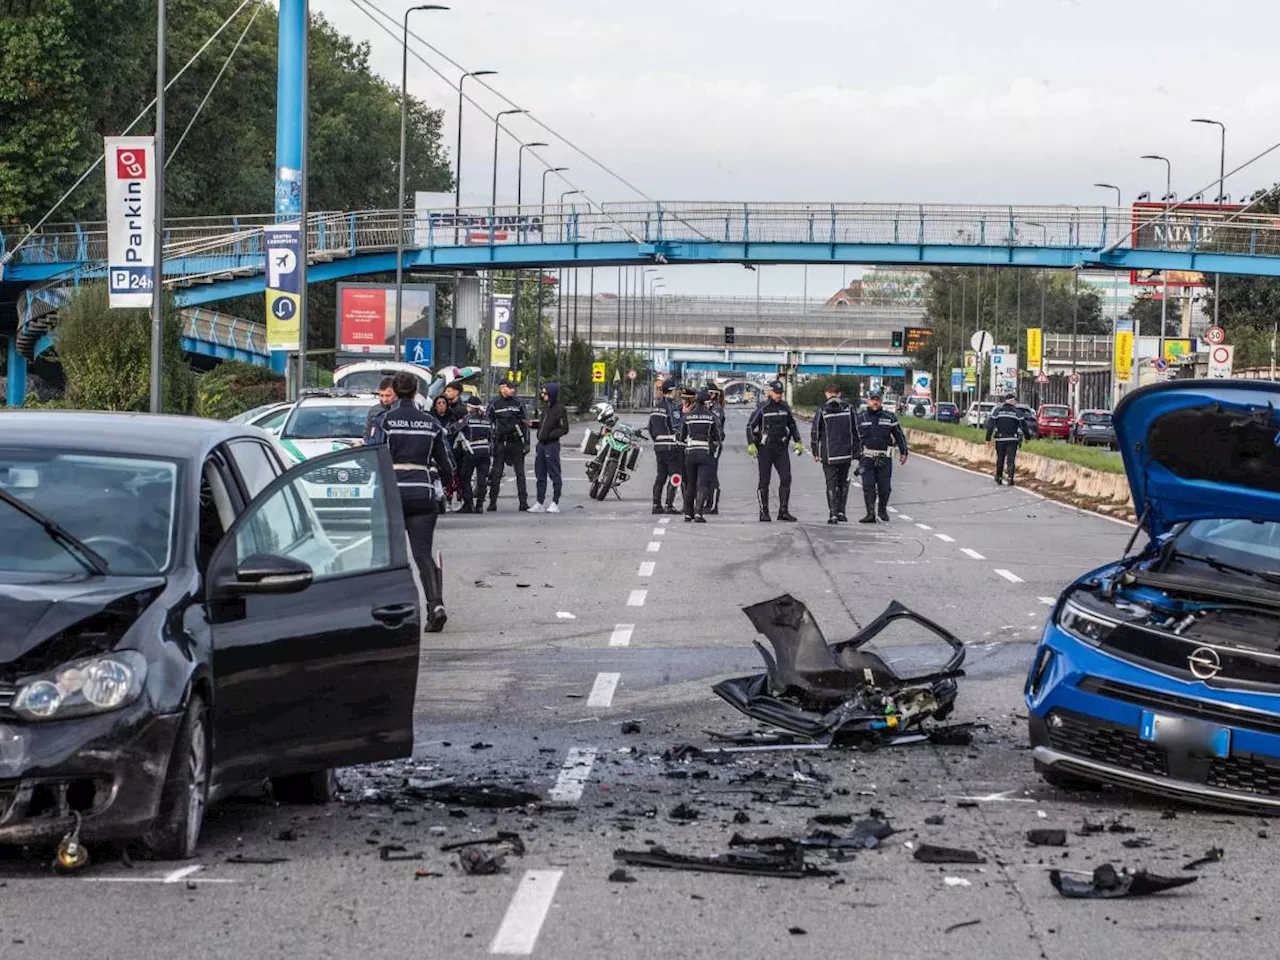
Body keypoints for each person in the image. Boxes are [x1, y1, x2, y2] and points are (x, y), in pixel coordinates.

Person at [375, 371, 455, 632]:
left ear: (395, 393)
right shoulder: (430, 423)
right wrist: (439, 480)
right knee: (422, 553)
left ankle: (392, 614)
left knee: (390, 555)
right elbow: (447, 465)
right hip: (422, 494)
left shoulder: (385, 421)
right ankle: (436, 605)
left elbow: (375, 456)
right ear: (416, 390)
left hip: (392, 494)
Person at [746, 380, 802, 522]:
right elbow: (750, 426)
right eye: (776, 393)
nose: (778, 395)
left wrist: (798, 441)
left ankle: (783, 511)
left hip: (781, 448)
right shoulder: (763, 408)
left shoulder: (785, 407)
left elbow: (792, 425)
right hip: (765, 448)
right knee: (764, 480)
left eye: (780, 393)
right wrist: (751, 443)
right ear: (770, 392)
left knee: (786, 478)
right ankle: (764, 512)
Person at [855, 390, 908, 523]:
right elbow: (853, 437)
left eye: (877, 400)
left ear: (881, 401)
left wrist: (903, 452)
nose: (875, 402)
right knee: (868, 486)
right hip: (866, 458)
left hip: (884, 458)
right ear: (868, 401)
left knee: (885, 488)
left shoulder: (890, 417)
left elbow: (899, 435)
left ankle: (882, 510)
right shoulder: (861, 417)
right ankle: (870, 513)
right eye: (872, 399)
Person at [810, 381, 859, 524]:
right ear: (839, 394)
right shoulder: (849, 408)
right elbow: (856, 430)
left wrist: (815, 451)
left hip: (829, 453)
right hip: (846, 452)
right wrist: (857, 451)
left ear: (827, 394)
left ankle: (833, 514)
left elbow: (815, 433)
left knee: (831, 483)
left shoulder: (822, 410)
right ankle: (842, 512)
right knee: (843, 482)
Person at [486, 380, 530, 512]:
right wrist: (490, 443)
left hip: (516, 442)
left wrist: (526, 444)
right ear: (502, 389)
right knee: (496, 474)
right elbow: (488, 423)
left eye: (513, 388)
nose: (512, 390)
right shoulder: (494, 404)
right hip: (500, 442)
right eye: (510, 388)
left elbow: (526, 424)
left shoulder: (518, 403)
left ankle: (523, 502)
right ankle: (492, 502)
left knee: (520, 474)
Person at [679, 389, 721, 523]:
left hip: (690, 453)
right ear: (707, 402)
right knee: (702, 483)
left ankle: (688, 513)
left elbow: (681, 437)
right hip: (704, 453)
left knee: (690, 484)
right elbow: (718, 437)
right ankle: (698, 513)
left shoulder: (688, 417)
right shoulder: (711, 417)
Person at [530, 382, 570, 513]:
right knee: (540, 475)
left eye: (545, 393)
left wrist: (549, 435)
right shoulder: (545, 408)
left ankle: (555, 502)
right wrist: (534, 426)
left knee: (554, 474)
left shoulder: (559, 409)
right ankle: (539, 502)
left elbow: (564, 428)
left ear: (551, 394)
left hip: (551, 445)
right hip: (541, 445)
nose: (543, 395)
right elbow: (543, 425)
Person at [647, 378, 684, 515]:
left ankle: (656, 504)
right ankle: (669, 504)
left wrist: (657, 440)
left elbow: (650, 428)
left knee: (660, 476)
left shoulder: (655, 408)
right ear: (671, 391)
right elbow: (676, 426)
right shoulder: (671, 407)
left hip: (658, 446)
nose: (677, 393)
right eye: (676, 390)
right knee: (675, 476)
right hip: (670, 445)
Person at [985, 392, 1032, 486]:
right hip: (1012, 439)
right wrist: (1027, 438)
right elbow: (1024, 426)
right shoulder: (1017, 412)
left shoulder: (997, 411)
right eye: (1015, 401)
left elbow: (990, 425)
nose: (1016, 403)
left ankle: (999, 477)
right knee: (1011, 459)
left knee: (1000, 458)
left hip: (1000, 439)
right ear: (1011, 401)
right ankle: (1010, 478)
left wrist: (988, 439)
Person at [456, 395, 492, 513]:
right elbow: (492, 436)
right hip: (485, 451)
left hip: (471, 451)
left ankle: (469, 504)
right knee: (482, 478)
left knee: (465, 477)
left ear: (471, 407)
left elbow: (454, 429)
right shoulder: (487, 419)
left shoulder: (468, 418)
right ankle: (480, 504)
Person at [705, 383, 726, 515]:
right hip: (707, 444)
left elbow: (716, 428)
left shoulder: (716, 409)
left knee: (712, 474)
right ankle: (707, 502)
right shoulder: (709, 407)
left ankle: (713, 506)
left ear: (713, 394)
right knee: (705, 474)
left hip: (714, 444)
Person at [364, 377, 396, 443]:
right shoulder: (373, 411)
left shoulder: (400, 411)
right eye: (381, 395)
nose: (384, 399)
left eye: (388, 395)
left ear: (396, 394)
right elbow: (367, 433)